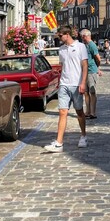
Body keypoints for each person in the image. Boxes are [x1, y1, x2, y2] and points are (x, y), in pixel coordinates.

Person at [44, 25, 88, 153]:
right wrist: (59, 82)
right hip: (64, 84)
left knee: (79, 112)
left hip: (77, 84)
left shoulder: (80, 47)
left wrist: (83, 83)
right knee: (63, 112)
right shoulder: (62, 49)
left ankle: (84, 136)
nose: (59, 38)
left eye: (60, 36)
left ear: (67, 34)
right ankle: (59, 143)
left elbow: (84, 66)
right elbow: (63, 66)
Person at [80, 29, 102, 120]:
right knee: (86, 93)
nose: (81, 38)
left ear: (85, 36)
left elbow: (98, 58)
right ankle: (87, 111)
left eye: (82, 36)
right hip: (85, 71)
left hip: (91, 71)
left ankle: (93, 112)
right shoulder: (84, 45)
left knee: (92, 92)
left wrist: (97, 67)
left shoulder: (92, 45)